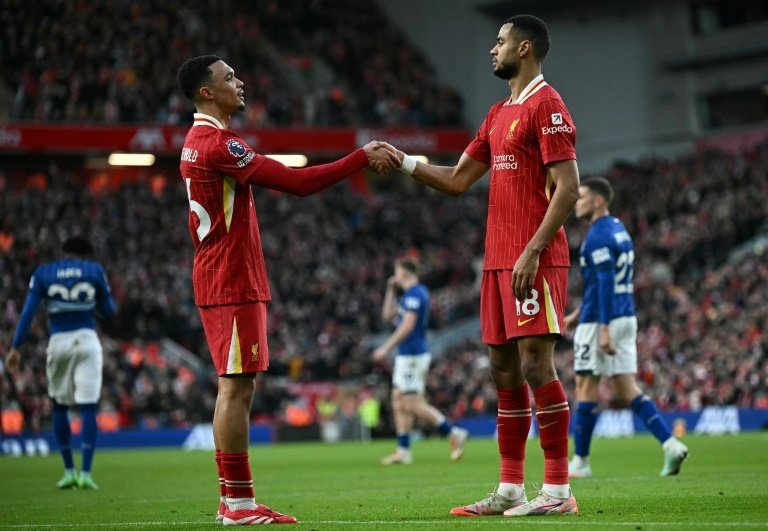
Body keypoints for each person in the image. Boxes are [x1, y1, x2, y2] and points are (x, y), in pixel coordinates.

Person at [176, 54, 398, 526]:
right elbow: (297, 183)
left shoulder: (196, 142)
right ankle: (237, 504)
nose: (239, 82)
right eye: (227, 77)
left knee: (236, 386)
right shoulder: (218, 143)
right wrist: (359, 157)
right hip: (231, 279)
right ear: (205, 93)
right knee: (235, 388)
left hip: (223, 275)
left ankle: (234, 500)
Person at [383, 14, 580, 517]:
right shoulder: (496, 114)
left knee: (537, 364)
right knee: (503, 372)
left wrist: (533, 249)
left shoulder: (548, 104)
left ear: (526, 47)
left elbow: (569, 187)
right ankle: (510, 489)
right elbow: (455, 179)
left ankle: (557, 490)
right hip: (496, 262)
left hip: (533, 257)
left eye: (501, 42)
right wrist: (402, 159)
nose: (492, 50)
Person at [564, 177, 689, 478]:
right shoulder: (619, 230)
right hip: (624, 315)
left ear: (598, 201)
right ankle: (670, 444)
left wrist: (602, 326)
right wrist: (576, 314)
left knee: (585, 387)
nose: (576, 202)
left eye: (581, 197)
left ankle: (580, 461)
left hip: (602, 320)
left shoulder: (596, 237)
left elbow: (605, 283)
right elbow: (601, 282)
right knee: (626, 387)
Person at [5, 236, 115, 490]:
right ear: (85, 254)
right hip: (87, 340)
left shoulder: (44, 272)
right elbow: (109, 311)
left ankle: (68, 471)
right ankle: (86, 473)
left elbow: (27, 313)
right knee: (88, 407)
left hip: (58, 342)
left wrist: (16, 348)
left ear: (64, 252)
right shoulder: (94, 270)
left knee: (59, 405)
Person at [372, 255, 469, 465]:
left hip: (414, 356)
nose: (394, 276)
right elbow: (387, 317)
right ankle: (403, 450)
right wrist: (390, 290)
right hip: (405, 355)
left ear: (404, 272)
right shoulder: (405, 295)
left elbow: (407, 326)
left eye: (396, 271)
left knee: (412, 403)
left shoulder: (417, 293)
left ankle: (453, 432)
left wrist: (385, 348)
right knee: (397, 400)